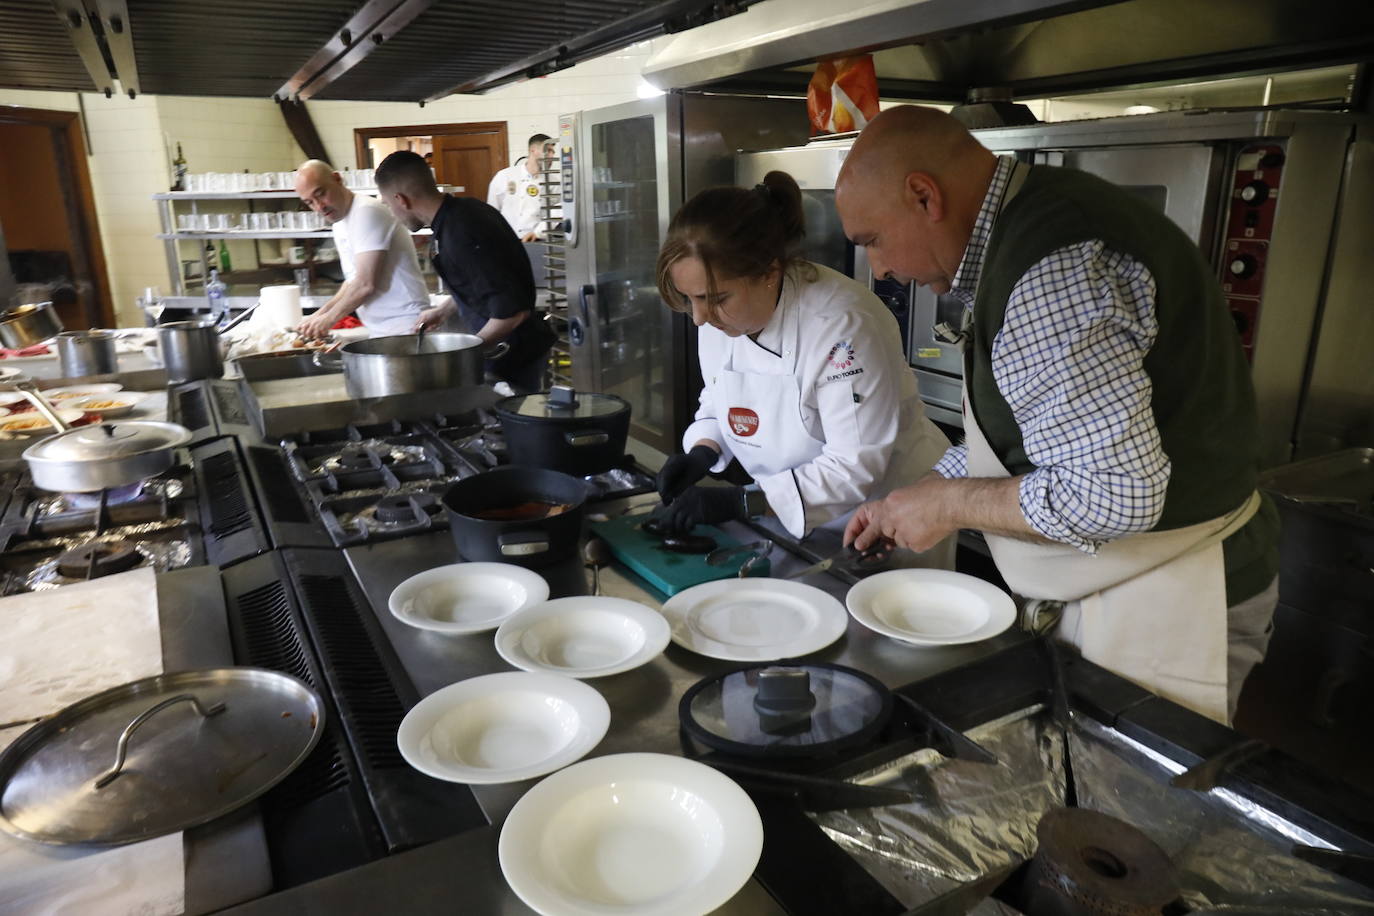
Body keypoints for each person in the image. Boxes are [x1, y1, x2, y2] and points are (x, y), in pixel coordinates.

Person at [836, 106, 1279, 725]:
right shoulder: (1028, 230)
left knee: (1138, 809)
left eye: (872, 242)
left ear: (923, 195)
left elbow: (1116, 494)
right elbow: (1028, 432)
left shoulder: (1051, 267)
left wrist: (946, 506)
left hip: (1174, 594)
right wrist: (915, 497)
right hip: (1125, 581)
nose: (880, 270)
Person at [651, 169, 954, 564]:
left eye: (714, 297)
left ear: (769, 273)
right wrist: (703, 452)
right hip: (783, 516)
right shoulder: (720, 316)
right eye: (689, 298)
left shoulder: (841, 325)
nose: (699, 317)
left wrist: (743, 501)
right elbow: (721, 396)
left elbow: (853, 465)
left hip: (889, 517)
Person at [373, 150, 555, 393]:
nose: (393, 214)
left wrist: (463, 355)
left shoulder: (461, 233)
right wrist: (443, 310)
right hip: (504, 349)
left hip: (512, 356)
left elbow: (512, 312)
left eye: (388, 204)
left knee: (517, 424)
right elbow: (483, 283)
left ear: (401, 200)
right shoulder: (462, 212)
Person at [293, 160, 428, 338]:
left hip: (407, 324)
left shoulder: (367, 211)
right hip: (381, 328)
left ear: (337, 179)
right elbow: (352, 280)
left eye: (321, 193)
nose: (319, 206)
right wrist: (320, 314)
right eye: (310, 202)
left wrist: (328, 320)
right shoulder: (339, 221)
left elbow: (365, 284)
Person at [486, 133, 554, 242]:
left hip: (539, 239)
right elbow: (491, 213)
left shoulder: (553, 182)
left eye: (553, 152)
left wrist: (538, 232)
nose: (551, 156)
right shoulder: (504, 176)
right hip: (509, 240)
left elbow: (557, 214)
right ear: (533, 150)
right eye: (548, 151)